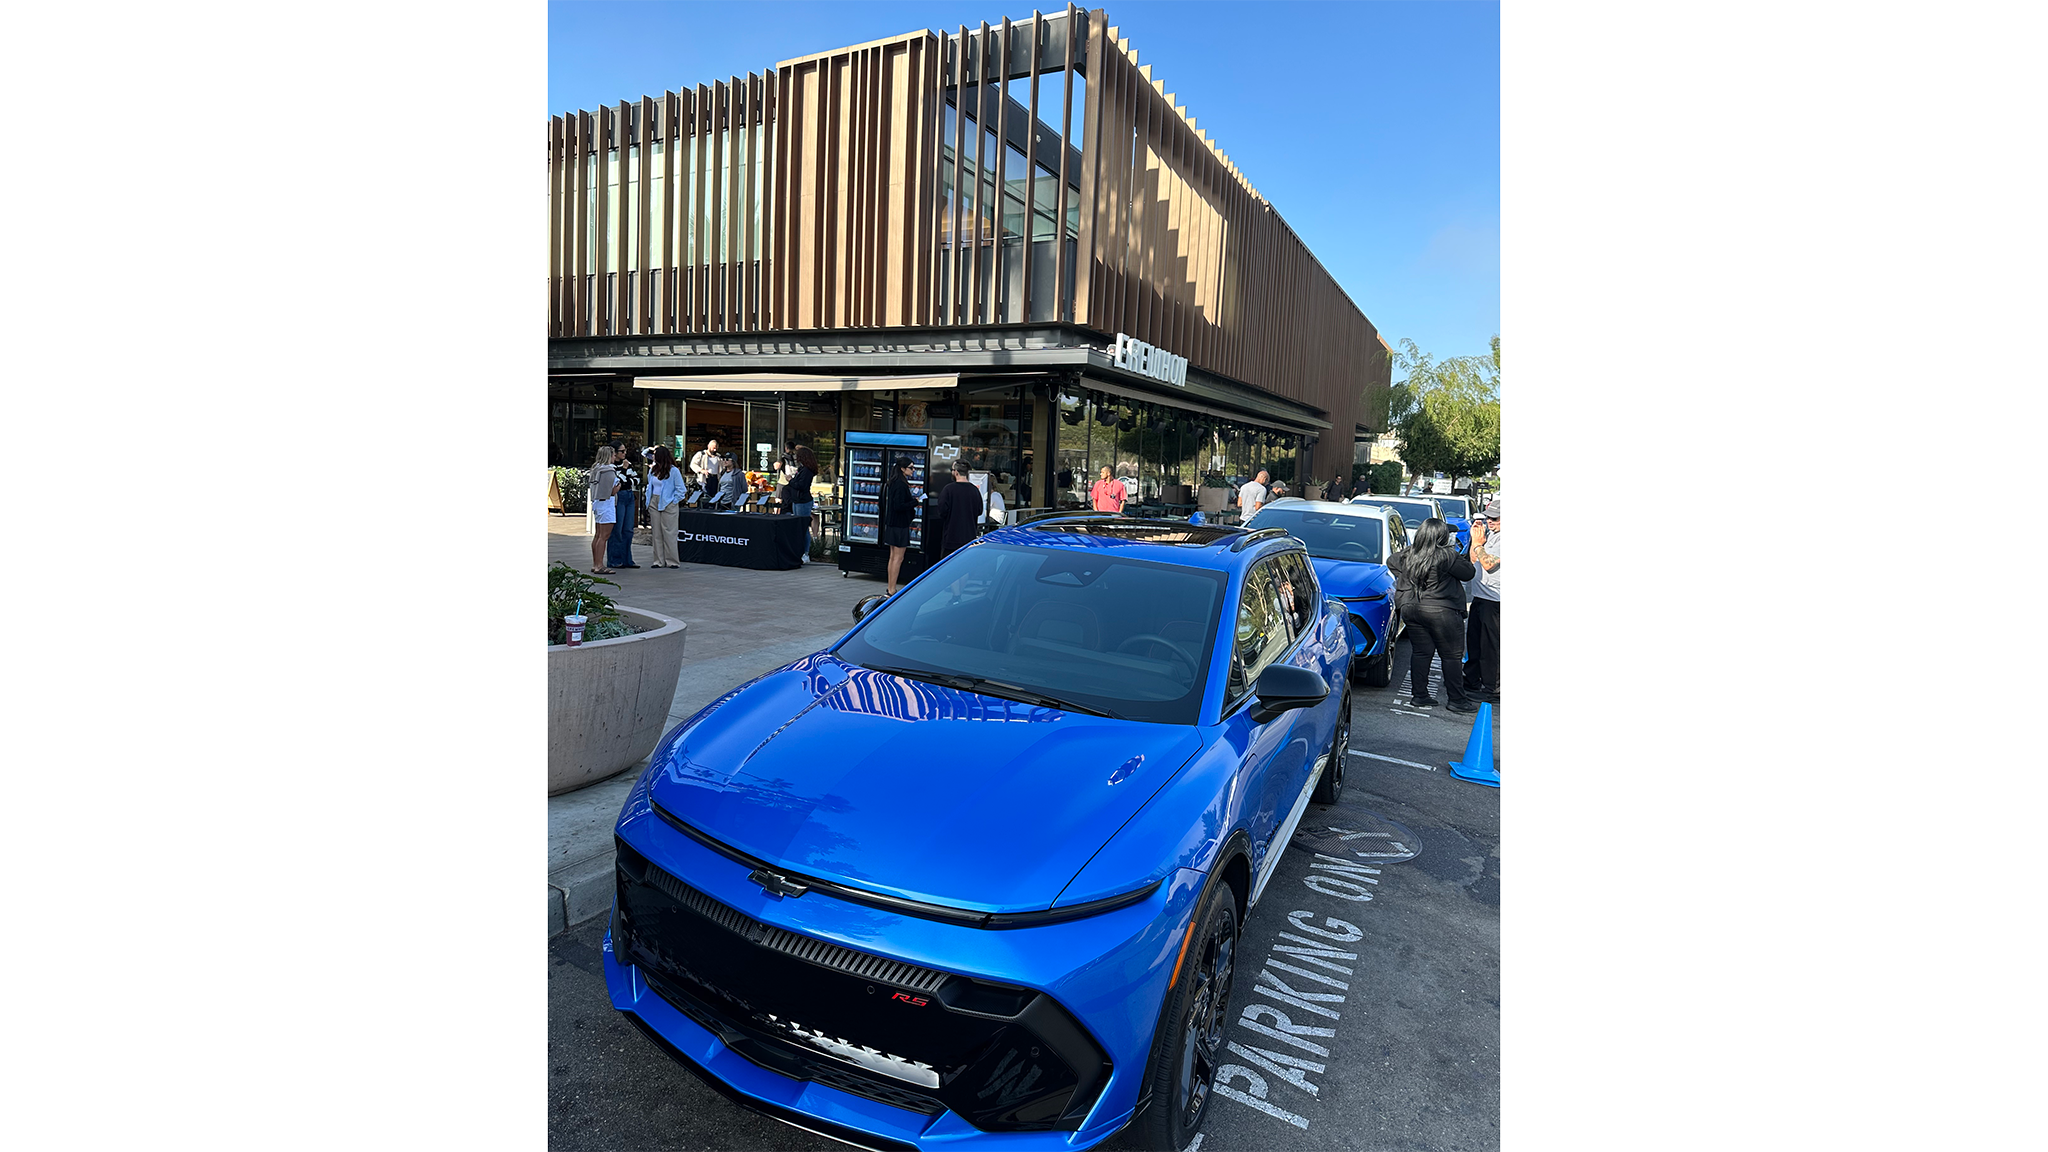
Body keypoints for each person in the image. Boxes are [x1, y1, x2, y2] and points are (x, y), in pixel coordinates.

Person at [1386, 517, 1479, 713]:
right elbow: (1468, 573)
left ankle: (1419, 695)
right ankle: (1457, 700)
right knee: (1451, 656)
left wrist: (1408, 577)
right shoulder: (1447, 556)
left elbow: (1391, 561)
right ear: (1442, 536)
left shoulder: (1410, 554)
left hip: (1412, 608)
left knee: (1421, 652)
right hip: (1442, 611)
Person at [1462, 500, 1502, 700]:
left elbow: (1488, 564)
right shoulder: (1492, 535)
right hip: (1480, 595)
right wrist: (1474, 541)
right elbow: (1473, 559)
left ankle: (1492, 688)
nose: (1490, 521)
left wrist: (1478, 545)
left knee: (1490, 645)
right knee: (1475, 642)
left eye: (1495, 518)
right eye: (1488, 517)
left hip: (1495, 599)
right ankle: (1472, 680)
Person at [932, 460, 984, 560]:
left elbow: (942, 511)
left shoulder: (948, 489)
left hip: (951, 538)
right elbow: (979, 510)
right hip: (969, 538)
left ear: (956, 472)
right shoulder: (974, 490)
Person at [645, 444, 686, 569]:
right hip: (654, 501)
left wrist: (673, 501)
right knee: (656, 532)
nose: (652, 457)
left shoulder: (674, 471)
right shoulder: (653, 470)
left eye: (655, 455)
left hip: (668, 502)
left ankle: (672, 561)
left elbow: (681, 490)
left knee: (670, 532)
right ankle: (658, 561)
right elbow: (644, 453)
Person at [780, 440, 819, 562]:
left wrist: (791, 480)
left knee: (803, 527)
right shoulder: (803, 469)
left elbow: (801, 485)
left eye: (799, 456)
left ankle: (805, 553)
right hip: (797, 500)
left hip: (802, 501)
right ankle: (800, 551)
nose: (796, 458)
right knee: (799, 526)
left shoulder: (806, 471)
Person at [882, 457, 915, 594]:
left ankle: (891, 587)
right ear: (903, 469)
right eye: (911, 467)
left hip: (892, 524)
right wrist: (915, 502)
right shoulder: (901, 485)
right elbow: (899, 505)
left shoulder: (893, 483)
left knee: (893, 557)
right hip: (900, 524)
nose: (913, 470)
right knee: (898, 558)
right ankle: (892, 588)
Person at [606, 445, 641, 569]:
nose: (625, 453)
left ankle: (627, 559)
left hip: (629, 496)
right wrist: (625, 473)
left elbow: (636, 480)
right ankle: (615, 559)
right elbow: (616, 482)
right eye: (622, 451)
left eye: (625, 450)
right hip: (618, 497)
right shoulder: (611, 466)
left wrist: (625, 479)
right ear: (614, 453)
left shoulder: (627, 464)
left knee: (628, 529)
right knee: (617, 529)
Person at [587, 446, 619, 574]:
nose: (614, 457)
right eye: (613, 455)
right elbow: (610, 491)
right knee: (604, 536)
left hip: (598, 503)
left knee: (598, 535)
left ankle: (596, 563)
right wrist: (618, 487)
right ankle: (599, 565)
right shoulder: (608, 471)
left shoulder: (596, 469)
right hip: (606, 503)